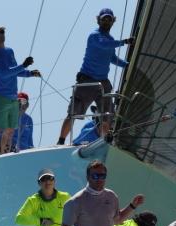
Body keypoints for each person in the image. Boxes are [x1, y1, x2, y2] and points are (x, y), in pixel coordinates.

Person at [57, 8, 135, 145]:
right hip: (87, 80)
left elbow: (112, 58)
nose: (106, 21)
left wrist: (128, 65)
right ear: (98, 20)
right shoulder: (94, 36)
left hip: (102, 82)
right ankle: (61, 141)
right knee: (73, 113)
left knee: (107, 115)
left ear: (113, 21)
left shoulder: (110, 39)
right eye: (104, 19)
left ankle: (105, 143)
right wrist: (124, 42)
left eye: (109, 19)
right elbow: (103, 45)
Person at [0, 25, 41, 161]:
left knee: (10, 129)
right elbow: (3, 74)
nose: (1, 35)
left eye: (2, 32)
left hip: (12, 97)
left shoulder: (9, 51)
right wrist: (23, 65)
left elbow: (15, 70)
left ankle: (4, 156)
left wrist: (30, 73)